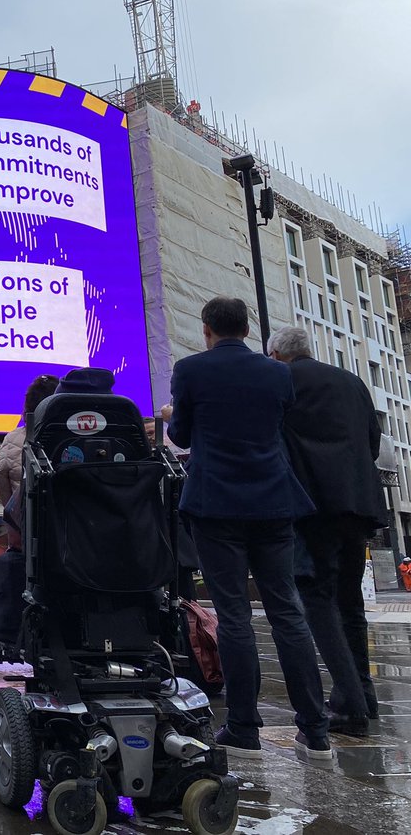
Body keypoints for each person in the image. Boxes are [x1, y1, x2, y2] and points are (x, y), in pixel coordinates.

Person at [165, 297, 331, 761]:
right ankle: (315, 732)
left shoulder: (191, 370)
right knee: (287, 612)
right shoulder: (278, 374)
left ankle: (243, 728)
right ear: (246, 327)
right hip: (273, 501)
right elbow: (275, 423)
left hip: (216, 503)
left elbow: (180, 435)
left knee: (234, 615)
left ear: (206, 330)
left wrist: (171, 419)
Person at [269, 325, 386, 733]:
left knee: (317, 600)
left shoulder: (281, 382)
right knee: (349, 602)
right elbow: (373, 440)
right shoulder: (351, 381)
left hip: (313, 505)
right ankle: (366, 698)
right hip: (357, 503)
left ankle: (350, 706)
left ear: (277, 355)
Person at [0, 374, 60, 512]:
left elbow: (3, 487)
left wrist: (19, 518)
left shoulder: (12, 439)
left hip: (25, 524)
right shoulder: (70, 441)